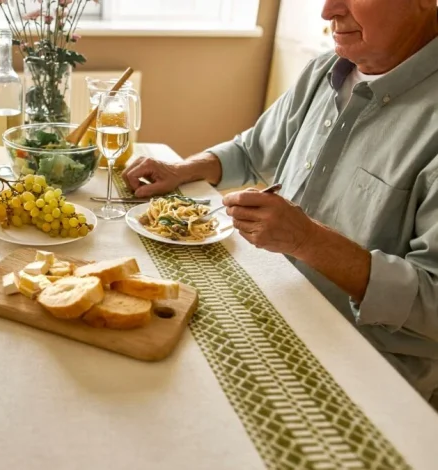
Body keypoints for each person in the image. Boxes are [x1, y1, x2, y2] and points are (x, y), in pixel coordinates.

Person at [124, 0, 438, 410]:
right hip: (272, 300)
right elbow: (253, 151)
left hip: (364, 368)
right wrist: (184, 169)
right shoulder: (325, 70)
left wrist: (308, 240)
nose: (327, 12)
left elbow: (432, 302)